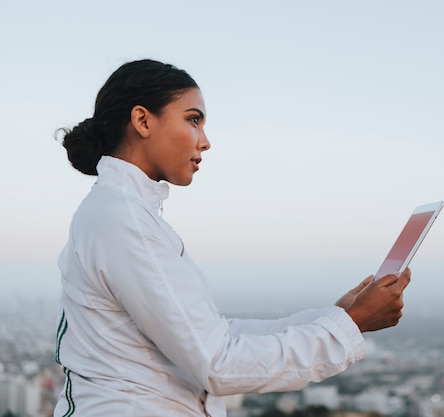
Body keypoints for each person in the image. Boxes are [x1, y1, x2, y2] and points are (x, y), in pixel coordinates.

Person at [55, 59, 411, 417]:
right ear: (143, 121)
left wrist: (338, 315)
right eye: (193, 120)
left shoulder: (125, 212)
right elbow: (219, 364)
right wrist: (352, 326)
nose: (205, 142)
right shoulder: (124, 218)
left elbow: (215, 336)